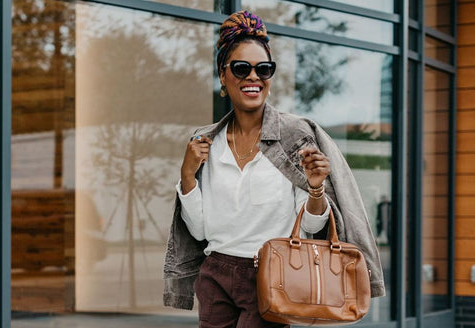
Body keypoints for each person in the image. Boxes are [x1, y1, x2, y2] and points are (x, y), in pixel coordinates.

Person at [163, 10, 385, 328]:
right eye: (241, 68)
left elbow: (310, 225)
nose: (253, 77)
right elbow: (198, 231)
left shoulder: (295, 137)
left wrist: (316, 187)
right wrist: (187, 175)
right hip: (215, 275)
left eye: (263, 69)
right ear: (223, 77)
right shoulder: (206, 143)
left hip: (272, 273)